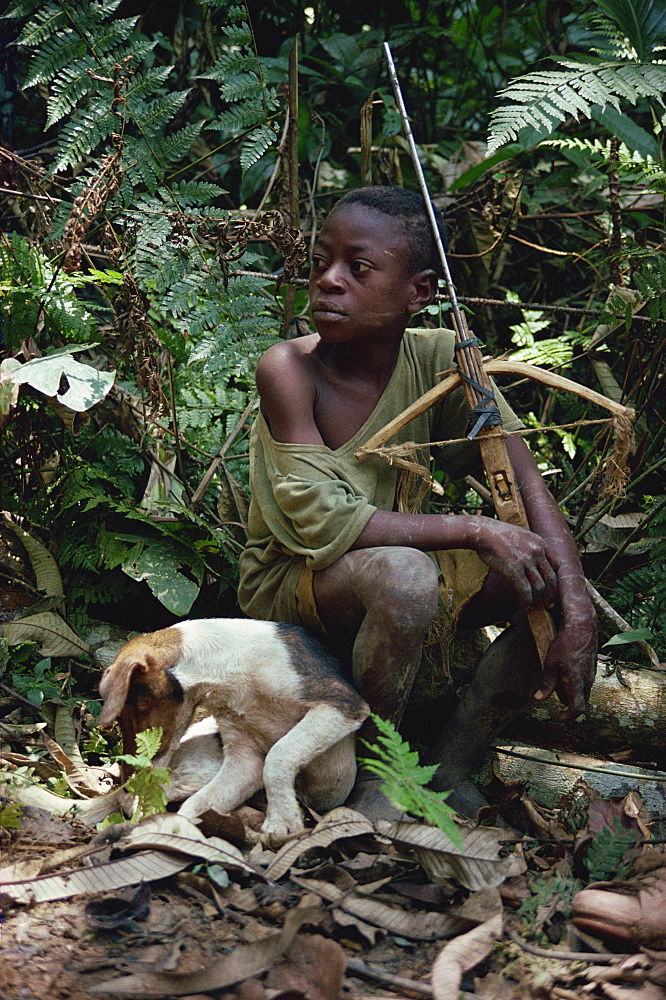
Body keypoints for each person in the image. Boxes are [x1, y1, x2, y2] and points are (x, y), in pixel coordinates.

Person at [238, 186, 597, 818]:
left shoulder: (443, 361)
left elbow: (526, 483)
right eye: (323, 261)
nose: (328, 281)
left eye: (359, 267)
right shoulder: (290, 370)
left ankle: (452, 766)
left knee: (541, 569)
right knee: (406, 576)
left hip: (401, 572)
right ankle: (381, 772)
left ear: (421, 292)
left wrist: (577, 609)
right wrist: (475, 529)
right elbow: (324, 520)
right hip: (300, 581)